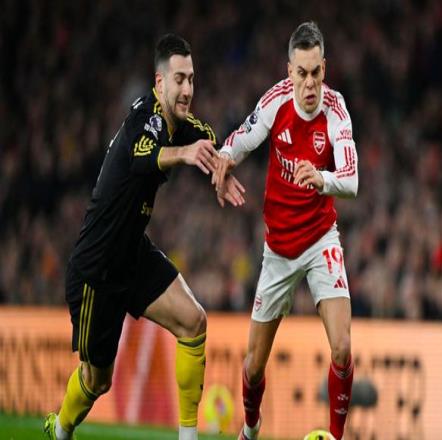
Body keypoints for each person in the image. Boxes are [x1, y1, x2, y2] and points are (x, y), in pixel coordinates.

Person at [44, 33, 244, 440]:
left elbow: (211, 141)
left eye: (191, 79)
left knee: (194, 322)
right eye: (179, 80)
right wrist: (184, 154)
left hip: (132, 255)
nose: (187, 89)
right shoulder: (143, 119)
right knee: (97, 381)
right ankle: (60, 429)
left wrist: (222, 168)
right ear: (159, 82)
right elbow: (143, 157)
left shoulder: (181, 124)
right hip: (97, 268)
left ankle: (188, 437)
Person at [213, 22, 358, 440]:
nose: (310, 83)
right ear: (289, 71)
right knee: (254, 365)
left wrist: (322, 178)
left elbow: (351, 180)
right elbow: (241, 140)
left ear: (324, 68)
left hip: (320, 239)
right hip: (278, 249)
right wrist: (223, 159)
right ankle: (250, 428)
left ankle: (335, 437)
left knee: (342, 347)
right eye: (302, 73)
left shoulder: (336, 109)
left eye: (316, 72)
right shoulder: (275, 101)